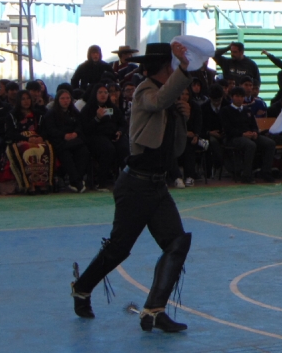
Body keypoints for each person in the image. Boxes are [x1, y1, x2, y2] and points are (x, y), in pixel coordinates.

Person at [70, 42, 194, 333]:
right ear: (167, 68)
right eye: (174, 66)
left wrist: (183, 117)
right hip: (136, 184)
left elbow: (175, 148)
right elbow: (158, 102)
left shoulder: (169, 98)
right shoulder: (145, 91)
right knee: (119, 249)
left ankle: (154, 310)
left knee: (177, 243)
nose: (176, 70)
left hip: (156, 185)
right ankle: (82, 288)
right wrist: (184, 73)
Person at [220, 86, 276, 183]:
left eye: (242, 96)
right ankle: (246, 175)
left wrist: (255, 132)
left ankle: (266, 172)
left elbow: (254, 125)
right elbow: (227, 129)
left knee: (270, 143)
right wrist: (242, 134)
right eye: (237, 96)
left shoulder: (247, 110)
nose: (239, 99)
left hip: (250, 135)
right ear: (232, 97)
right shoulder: (225, 110)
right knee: (250, 145)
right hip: (234, 137)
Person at [5, 90, 55, 194]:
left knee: (46, 148)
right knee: (27, 148)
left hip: (37, 139)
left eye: (28, 99)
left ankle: (42, 184)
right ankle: (29, 185)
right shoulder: (12, 115)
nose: (26, 101)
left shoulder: (38, 114)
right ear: (18, 101)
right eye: (23, 99)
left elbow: (46, 130)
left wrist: (41, 137)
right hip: (21, 140)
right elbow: (10, 133)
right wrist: (27, 139)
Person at [81, 83, 129, 190]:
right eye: (100, 92)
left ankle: (126, 180)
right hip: (95, 136)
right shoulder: (88, 109)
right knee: (108, 149)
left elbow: (123, 123)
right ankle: (102, 182)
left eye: (105, 92)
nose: (103, 95)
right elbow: (86, 128)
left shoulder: (112, 108)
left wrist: (120, 132)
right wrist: (97, 118)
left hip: (113, 135)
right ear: (95, 94)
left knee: (124, 147)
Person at [43, 89, 90, 193]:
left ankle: (76, 180)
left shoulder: (74, 112)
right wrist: (64, 135)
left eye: (68, 98)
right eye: (63, 98)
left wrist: (75, 133)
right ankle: (77, 181)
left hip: (74, 140)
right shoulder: (51, 113)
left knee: (84, 152)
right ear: (58, 100)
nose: (66, 101)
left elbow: (80, 125)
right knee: (66, 155)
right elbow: (50, 129)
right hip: (59, 141)